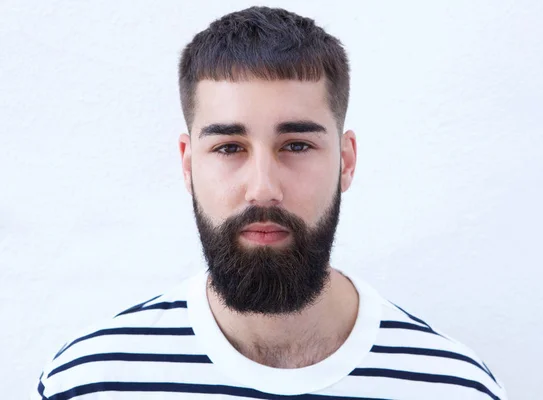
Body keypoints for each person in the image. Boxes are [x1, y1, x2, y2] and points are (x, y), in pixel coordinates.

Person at [32, 6, 507, 400]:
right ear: (187, 163)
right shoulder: (88, 382)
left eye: (296, 145)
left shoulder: (454, 386)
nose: (262, 188)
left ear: (345, 161)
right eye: (229, 148)